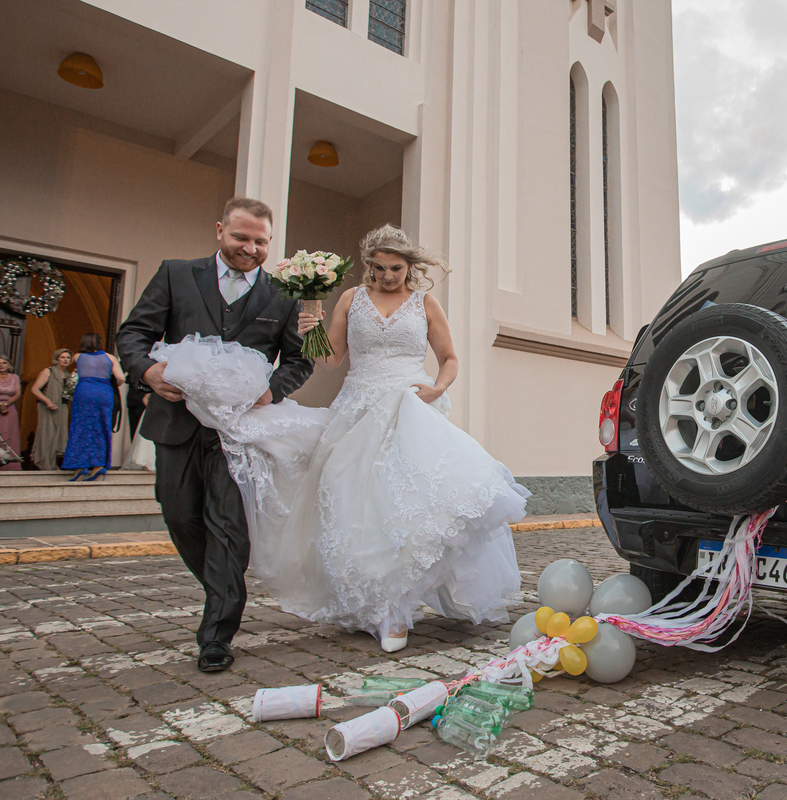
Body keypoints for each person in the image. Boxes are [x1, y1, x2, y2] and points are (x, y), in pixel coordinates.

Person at [155, 223, 526, 654]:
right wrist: (310, 325)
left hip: (408, 405)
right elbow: (329, 360)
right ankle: (376, 604)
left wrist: (439, 388)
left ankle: (397, 609)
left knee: (402, 504)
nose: (388, 276)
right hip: (355, 407)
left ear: (410, 266)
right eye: (379, 267)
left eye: (396, 268)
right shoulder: (352, 299)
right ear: (368, 265)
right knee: (354, 505)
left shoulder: (425, 303)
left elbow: (449, 359)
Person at [115, 196, 313, 673]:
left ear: (270, 242)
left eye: (260, 241)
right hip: (178, 420)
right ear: (219, 230)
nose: (250, 248)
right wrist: (148, 372)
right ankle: (220, 585)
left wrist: (271, 391)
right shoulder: (176, 274)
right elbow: (133, 334)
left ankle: (217, 635)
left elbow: (299, 359)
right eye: (240, 237)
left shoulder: (284, 295)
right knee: (179, 512)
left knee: (228, 527)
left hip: (241, 431)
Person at [63, 334, 124, 481]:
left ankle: (80, 467)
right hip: (103, 392)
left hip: (84, 391)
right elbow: (121, 378)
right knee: (102, 426)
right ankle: (98, 466)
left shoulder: (78, 356)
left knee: (81, 427)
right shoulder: (111, 358)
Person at [30, 348, 73, 470]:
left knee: (60, 434)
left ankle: (53, 463)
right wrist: (48, 401)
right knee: (47, 432)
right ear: (57, 358)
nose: (65, 360)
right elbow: (34, 389)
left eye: (68, 358)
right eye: (62, 357)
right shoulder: (48, 371)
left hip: (63, 407)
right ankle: (44, 462)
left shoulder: (69, 375)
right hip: (47, 406)